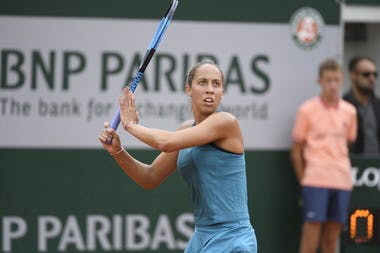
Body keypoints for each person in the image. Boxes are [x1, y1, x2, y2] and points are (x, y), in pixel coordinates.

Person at [99, 60, 257, 252]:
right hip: (202, 236)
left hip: (232, 237)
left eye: (216, 84)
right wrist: (118, 151)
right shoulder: (185, 130)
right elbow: (150, 177)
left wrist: (131, 125)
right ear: (188, 89)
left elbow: (164, 143)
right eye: (203, 82)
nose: (210, 89)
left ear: (222, 93)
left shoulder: (226, 122)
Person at [291, 58, 357, 253]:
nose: (332, 85)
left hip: (342, 180)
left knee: (331, 242)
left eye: (336, 80)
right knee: (310, 239)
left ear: (342, 80)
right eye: (328, 80)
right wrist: (304, 180)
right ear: (319, 81)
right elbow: (296, 150)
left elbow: (348, 142)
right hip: (315, 179)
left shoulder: (350, 111)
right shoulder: (306, 110)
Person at [343, 56, 380, 154]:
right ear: (353, 76)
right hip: (352, 165)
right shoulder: (342, 106)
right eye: (366, 74)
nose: (372, 78)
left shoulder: (377, 105)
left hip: (376, 166)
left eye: (375, 74)